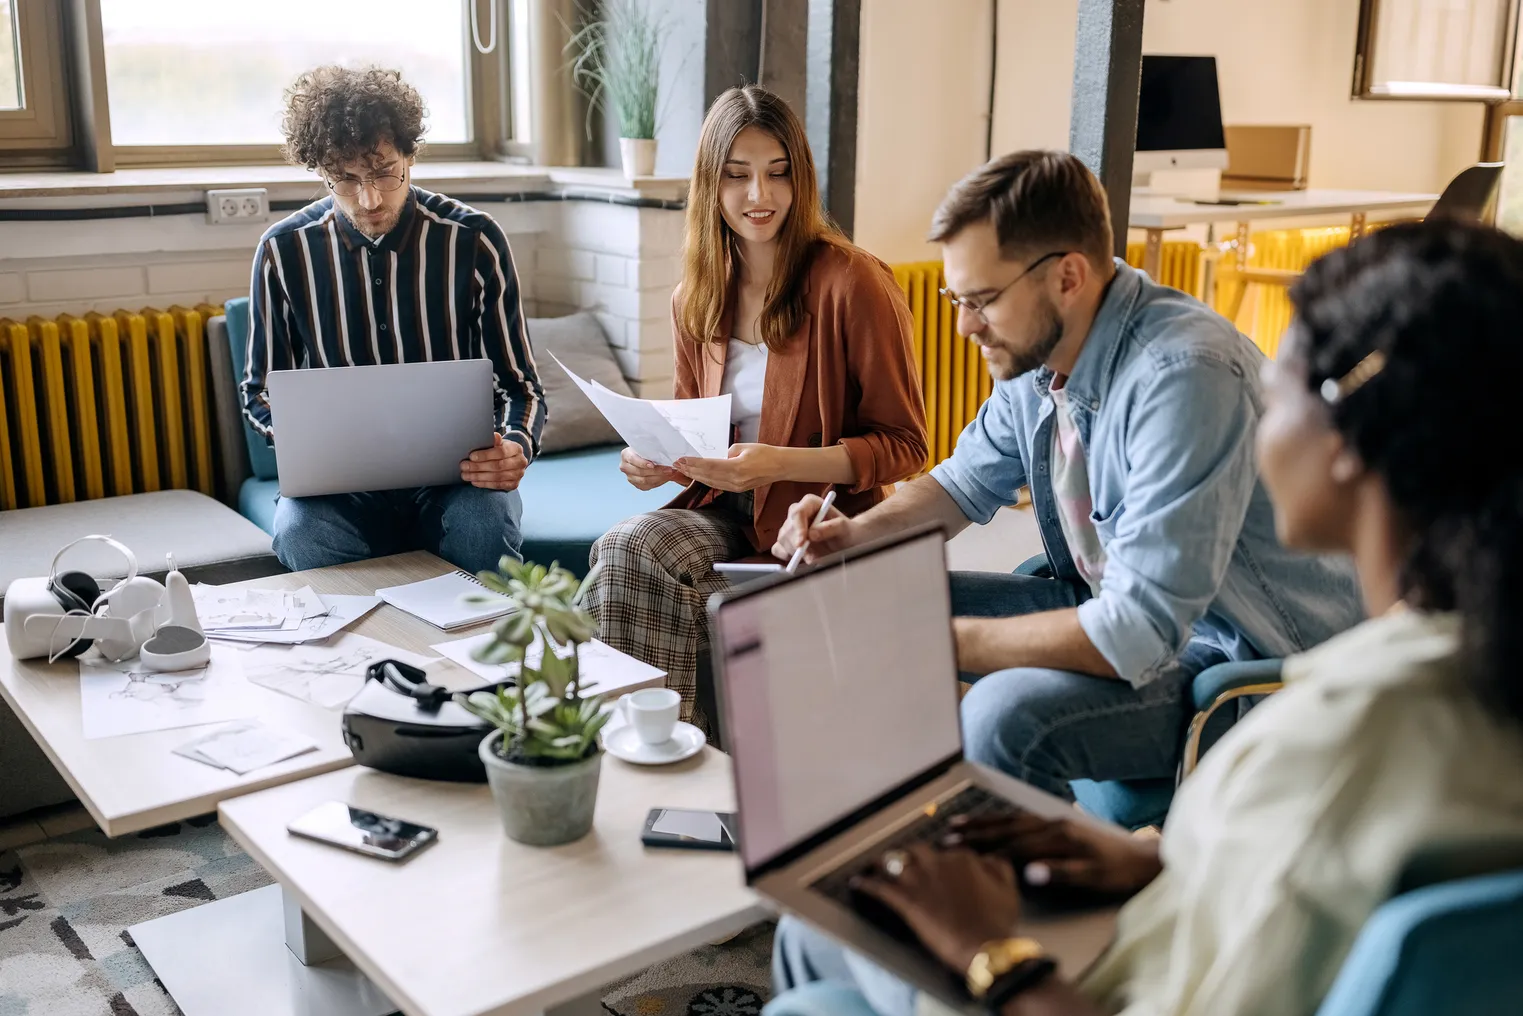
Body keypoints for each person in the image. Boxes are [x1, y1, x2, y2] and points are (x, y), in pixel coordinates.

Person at [770, 220, 1523, 1016]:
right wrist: (1162, 864)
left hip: (1081, 984)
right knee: (815, 935)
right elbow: (1309, 882)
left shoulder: (1338, 742)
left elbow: (1150, 634)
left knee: (818, 951)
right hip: (1171, 920)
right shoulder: (1457, 680)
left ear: (1344, 439)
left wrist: (983, 949)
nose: (1256, 422)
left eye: (1274, 394)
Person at [773, 150, 1361, 797]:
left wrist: (939, 642)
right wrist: (850, 536)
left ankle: (1020, 884)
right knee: (852, 596)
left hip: (1239, 658)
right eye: (956, 299)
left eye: (982, 301)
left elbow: (1138, 631)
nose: (964, 324)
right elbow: (958, 486)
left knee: (1002, 717)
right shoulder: (1036, 357)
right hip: (1116, 609)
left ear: (1067, 278)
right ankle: (869, 828)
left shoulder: (1183, 377)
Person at [584, 85, 928, 730]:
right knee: (627, 548)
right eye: (737, 176)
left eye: (777, 173)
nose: (758, 197)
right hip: (729, 518)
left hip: (814, 533)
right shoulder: (696, 296)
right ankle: (653, 757)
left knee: (624, 591)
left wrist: (778, 464)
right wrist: (663, 461)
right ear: (711, 185)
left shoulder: (853, 283)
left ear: (801, 178)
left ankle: (679, 756)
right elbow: (704, 438)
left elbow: (906, 446)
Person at [241, 65, 543, 576]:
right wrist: (306, 439)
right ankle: (363, 657)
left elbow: (521, 385)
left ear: (411, 155)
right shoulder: (282, 252)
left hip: (459, 479)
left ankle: (476, 653)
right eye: (346, 180)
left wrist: (515, 445)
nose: (370, 198)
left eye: (384, 172)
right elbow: (258, 395)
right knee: (298, 531)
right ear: (321, 173)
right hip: (339, 489)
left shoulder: (474, 241)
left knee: (483, 521)